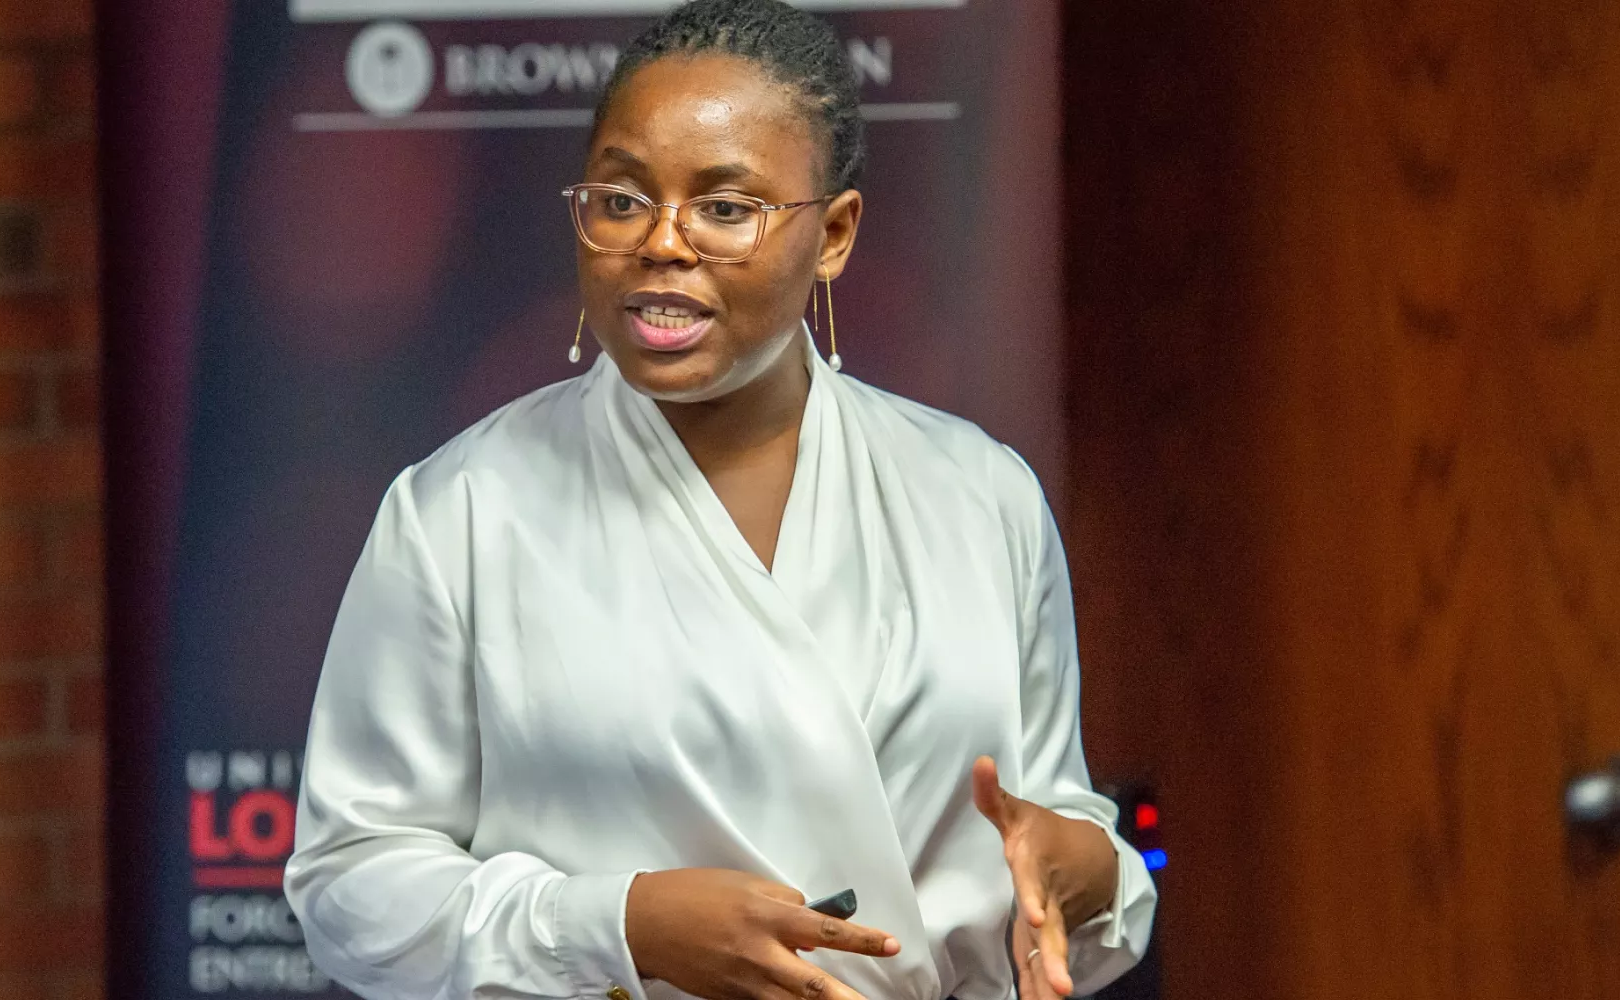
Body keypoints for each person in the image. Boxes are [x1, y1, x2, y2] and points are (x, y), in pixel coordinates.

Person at [283, 2, 1156, 999]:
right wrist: (619, 923)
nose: (662, 241)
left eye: (725, 208)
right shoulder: (462, 513)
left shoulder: (978, 495)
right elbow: (349, 883)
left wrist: (1076, 867)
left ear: (832, 234)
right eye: (620, 199)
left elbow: (1063, 832)